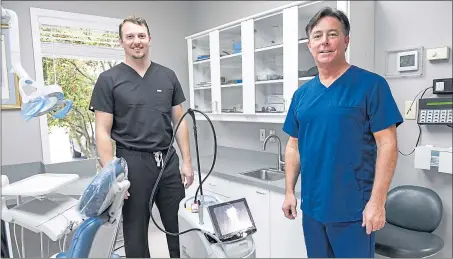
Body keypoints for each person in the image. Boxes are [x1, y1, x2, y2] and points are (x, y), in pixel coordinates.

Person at [281, 7, 403, 258]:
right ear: (309, 45)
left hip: (353, 212)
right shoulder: (301, 95)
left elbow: (388, 145)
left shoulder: (371, 85)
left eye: (332, 34)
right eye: (317, 36)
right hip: (313, 210)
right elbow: (293, 146)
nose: (324, 41)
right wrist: (289, 192)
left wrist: (377, 203)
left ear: (346, 40)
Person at [88, 15, 194, 258]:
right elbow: (102, 132)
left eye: (141, 36)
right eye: (130, 37)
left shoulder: (167, 76)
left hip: (168, 161)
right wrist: (112, 176)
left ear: (149, 39)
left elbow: (179, 120)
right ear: (122, 42)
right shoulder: (108, 80)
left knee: (180, 225)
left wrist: (187, 162)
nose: (137, 41)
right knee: (135, 234)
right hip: (132, 164)